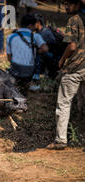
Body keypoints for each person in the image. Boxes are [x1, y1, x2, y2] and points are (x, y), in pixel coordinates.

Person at [47, 0, 84, 150]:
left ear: (77, 4)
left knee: (63, 103)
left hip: (75, 67)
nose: (66, 6)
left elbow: (72, 46)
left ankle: (61, 140)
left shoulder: (73, 20)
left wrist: (62, 60)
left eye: (68, 3)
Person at [6, 14, 49, 95]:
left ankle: (17, 83)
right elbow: (45, 49)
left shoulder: (10, 36)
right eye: (34, 25)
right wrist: (36, 51)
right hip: (29, 70)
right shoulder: (36, 36)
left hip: (15, 68)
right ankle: (31, 82)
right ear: (30, 25)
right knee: (39, 55)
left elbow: (9, 57)